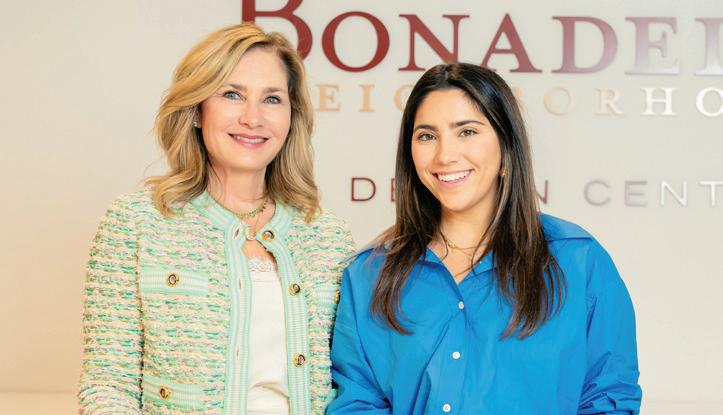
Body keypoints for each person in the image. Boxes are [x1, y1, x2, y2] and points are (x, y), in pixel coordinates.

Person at [327, 63, 642, 414]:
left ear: (507, 147)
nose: (445, 155)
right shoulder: (369, 274)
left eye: (467, 132)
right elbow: (358, 403)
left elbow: (608, 398)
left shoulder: (577, 262)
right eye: (427, 136)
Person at [79, 23, 354, 415]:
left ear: (291, 116)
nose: (253, 118)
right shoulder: (136, 224)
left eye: (272, 99)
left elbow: (353, 386)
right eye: (231, 94)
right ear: (196, 110)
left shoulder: (328, 236)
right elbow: (108, 386)